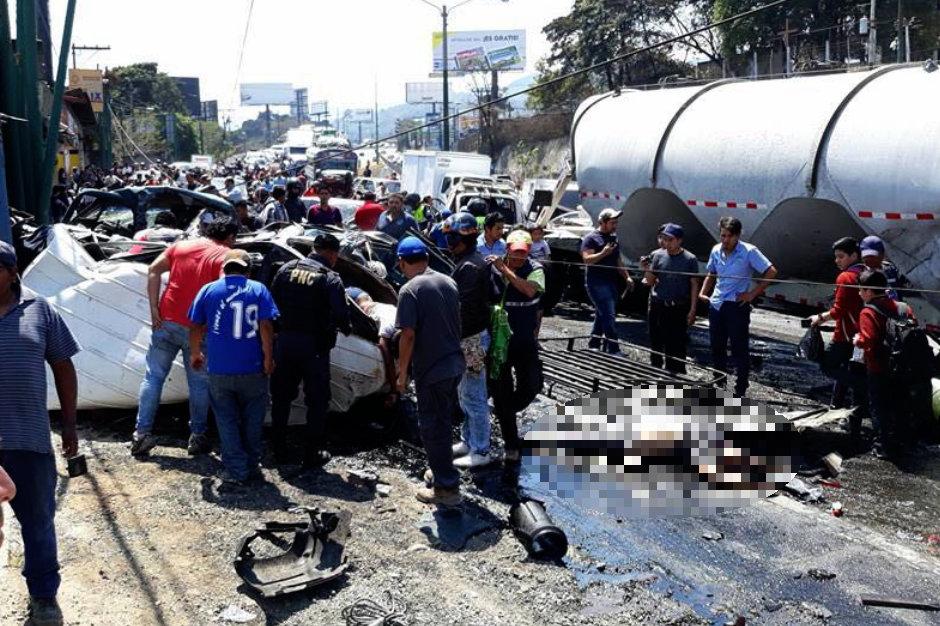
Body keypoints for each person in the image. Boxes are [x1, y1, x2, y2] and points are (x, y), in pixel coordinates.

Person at [0, 240, 80, 625]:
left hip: (27, 439)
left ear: (12, 273)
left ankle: (44, 596)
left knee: (38, 522)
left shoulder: (40, 311)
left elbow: (64, 367)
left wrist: (69, 426)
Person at [131, 216, 237, 458]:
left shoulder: (181, 246)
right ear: (230, 237)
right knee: (199, 384)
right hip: (198, 330)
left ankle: (141, 434)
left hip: (165, 321)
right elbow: (224, 287)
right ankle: (197, 437)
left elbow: (153, 270)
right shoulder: (224, 255)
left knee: (153, 378)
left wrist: (154, 309)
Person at [188, 250, 278, 486]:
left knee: (226, 420)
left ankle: (236, 469)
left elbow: (195, 324)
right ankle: (251, 465)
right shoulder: (258, 289)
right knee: (253, 418)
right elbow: (266, 326)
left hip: (219, 369)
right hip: (253, 367)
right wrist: (269, 358)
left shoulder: (208, 290)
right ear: (248, 270)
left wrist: (195, 353)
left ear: (223, 269)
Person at [269, 233, 351, 468]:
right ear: (332, 254)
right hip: (314, 347)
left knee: (281, 397)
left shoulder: (285, 269)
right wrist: (347, 327)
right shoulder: (330, 278)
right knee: (317, 400)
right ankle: (311, 454)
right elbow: (341, 315)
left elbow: (271, 305)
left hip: (284, 343)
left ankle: (279, 451)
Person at [395, 237, 465, 504]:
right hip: (453, 364)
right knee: (443, 423)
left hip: (432, 369)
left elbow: (408, 336)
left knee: (432, 427)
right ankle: (440, 471)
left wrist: (402, 374)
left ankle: (446, 488)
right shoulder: (448, 281)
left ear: (402, 262)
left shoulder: (410, 290)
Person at [699, 216, 777, 398]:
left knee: (738, 348)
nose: (725, 240)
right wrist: (703, 293)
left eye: (729, 236)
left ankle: (740, 387)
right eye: (723, 236)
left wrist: (752, 294)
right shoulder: (716, 250)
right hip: (717, 305)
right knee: (716, 346)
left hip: (736, 306)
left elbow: (771, 271)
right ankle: (719, 383)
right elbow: (711, 273)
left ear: (737, 236)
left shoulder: (749, 251)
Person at [487, 230, 545, 462]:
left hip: (525, 341)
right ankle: (511, 443)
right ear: (507, 248)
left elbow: (530, 290)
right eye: (515, 251)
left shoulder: (536, 269)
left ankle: (504, 411)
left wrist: (505, 270)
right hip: (500, 342)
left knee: (531, 385)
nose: (519, 256)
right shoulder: (493, 269)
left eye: (523, 252)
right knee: (501, 390)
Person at [444, 213, 494, 469]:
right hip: (467, 338)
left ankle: (481, 449)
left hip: (471, 340)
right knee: (464, 394)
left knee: (474, 396)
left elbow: (463, 309)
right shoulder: (466, 262)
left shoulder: (471, 267)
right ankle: (469, 440)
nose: (449, 243)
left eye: (452, 238)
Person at [810, 237, 868, 434]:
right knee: (853, 372)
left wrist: (820, 317)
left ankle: (863, 390)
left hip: (846, 335)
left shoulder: (845, 278)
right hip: (866, 335)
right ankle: (852, 423)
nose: (837, 261)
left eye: (841, 257)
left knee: (829, 365)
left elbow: (839, 309)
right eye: (836, 257)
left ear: (854, 255)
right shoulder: (868, 273)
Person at [854, 269, 909, 458]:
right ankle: (903, 443)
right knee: (899, 405)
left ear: (869, 291)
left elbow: (868, 340)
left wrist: (858, 340)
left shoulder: (868, 311)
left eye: (861, 289)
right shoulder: (903, 307)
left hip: (879, 367)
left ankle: (882, 447)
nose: (859, 293)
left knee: (879, 407)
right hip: (904, 366)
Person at [640, 222, 700, 374]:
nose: (666, 243)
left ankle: (676, 375)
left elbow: (694, 285)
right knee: (656, 340)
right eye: (664, 239)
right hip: (658, 304)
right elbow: (651, 281)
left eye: (670, 240)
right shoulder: (658, 256)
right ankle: (656, 371)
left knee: (677, 343)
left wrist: (693, 309)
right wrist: (646, 269)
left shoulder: (690, 259)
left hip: (678, 307)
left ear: (679, 240)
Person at [580, 208, 634, 354]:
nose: (615, 225)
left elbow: (618, 261)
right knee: (609, 315)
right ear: (602, 222)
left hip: (611, 282)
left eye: (616, 222)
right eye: (612, 223)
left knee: (602, 314)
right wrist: (603, 253)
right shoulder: (591, 238)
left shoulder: (613, 238)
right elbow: (587, 260)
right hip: (596, 283)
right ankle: (614, 349)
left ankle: (594, 345)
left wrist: (627, 276)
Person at [860, 235, 913, 301]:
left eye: (872, 256)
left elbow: (906, 286)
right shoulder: (861, 275)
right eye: (866, 256)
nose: (869, 260)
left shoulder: (890, 269)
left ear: (881, 254)